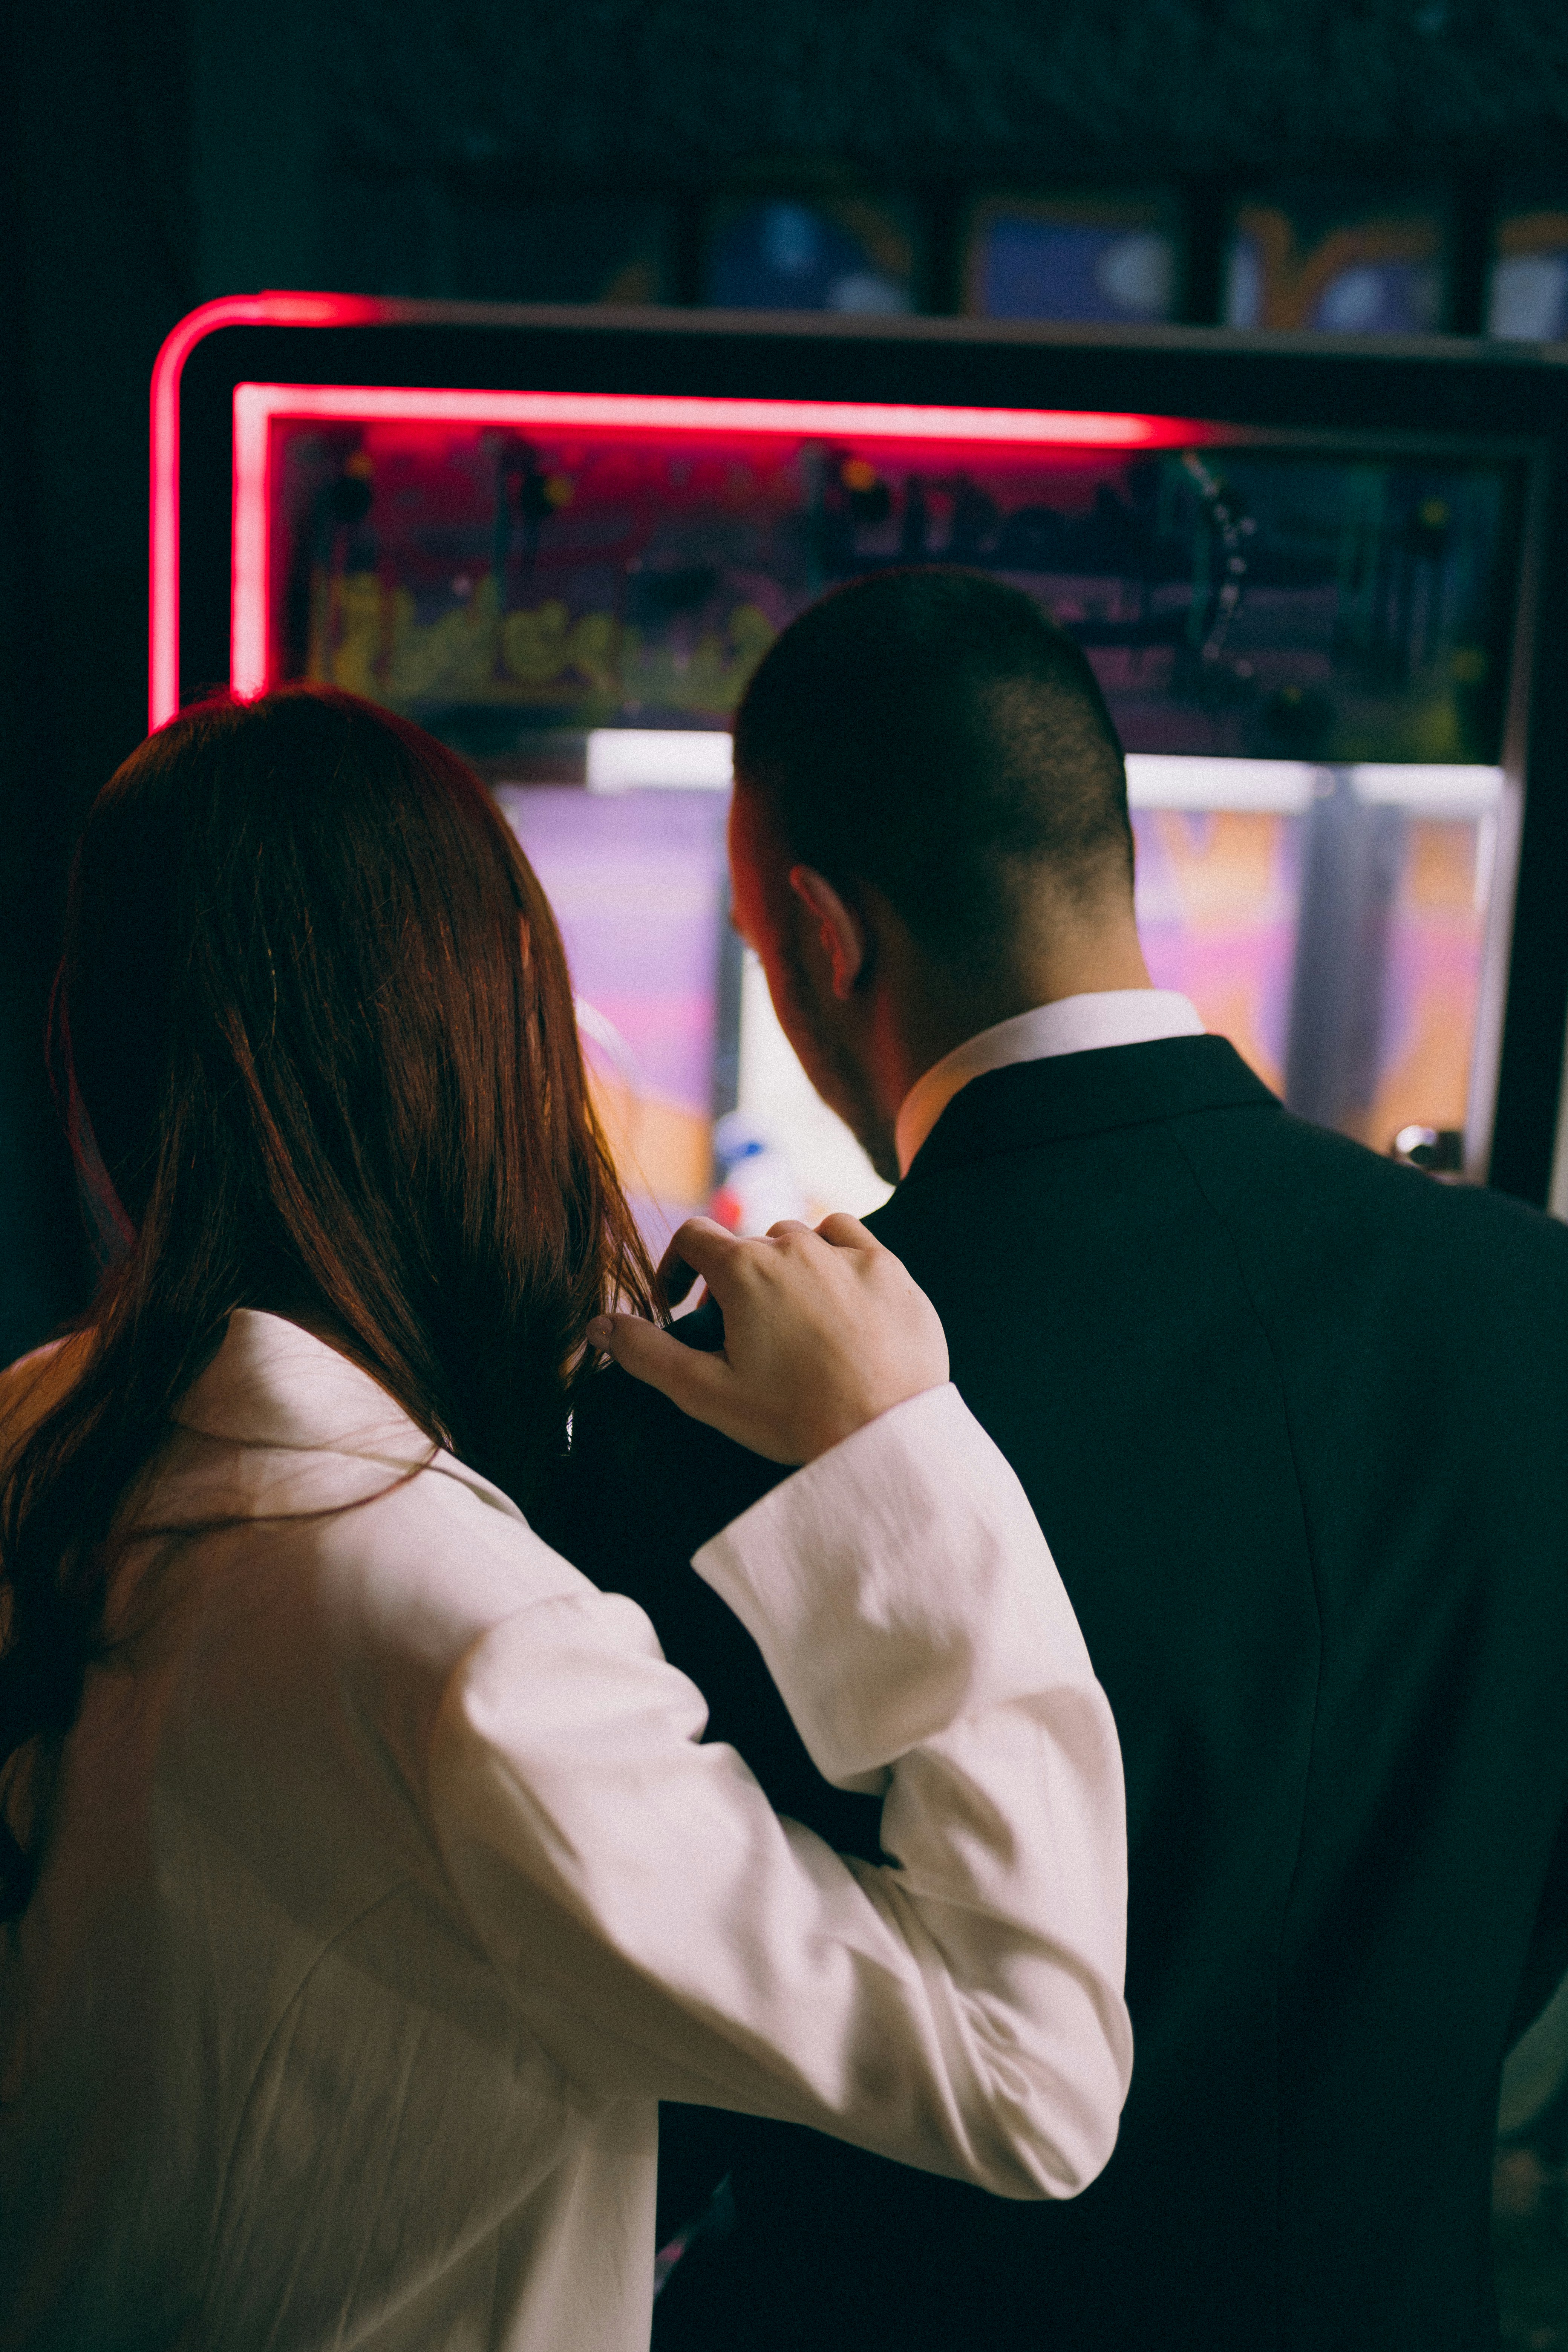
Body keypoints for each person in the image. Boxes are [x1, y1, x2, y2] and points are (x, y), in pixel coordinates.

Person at [0, 687, 1134, 2352]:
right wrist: (895, 1453)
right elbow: (1027, 2078)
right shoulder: (465, 1637)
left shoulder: (42, 1429)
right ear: (490, 1045)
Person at [554, 568, 1568, 2350]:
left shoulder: (721, 1396)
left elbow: (675, 2033)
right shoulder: (1530, 1308)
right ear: (1110, 857)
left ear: (819, 934)